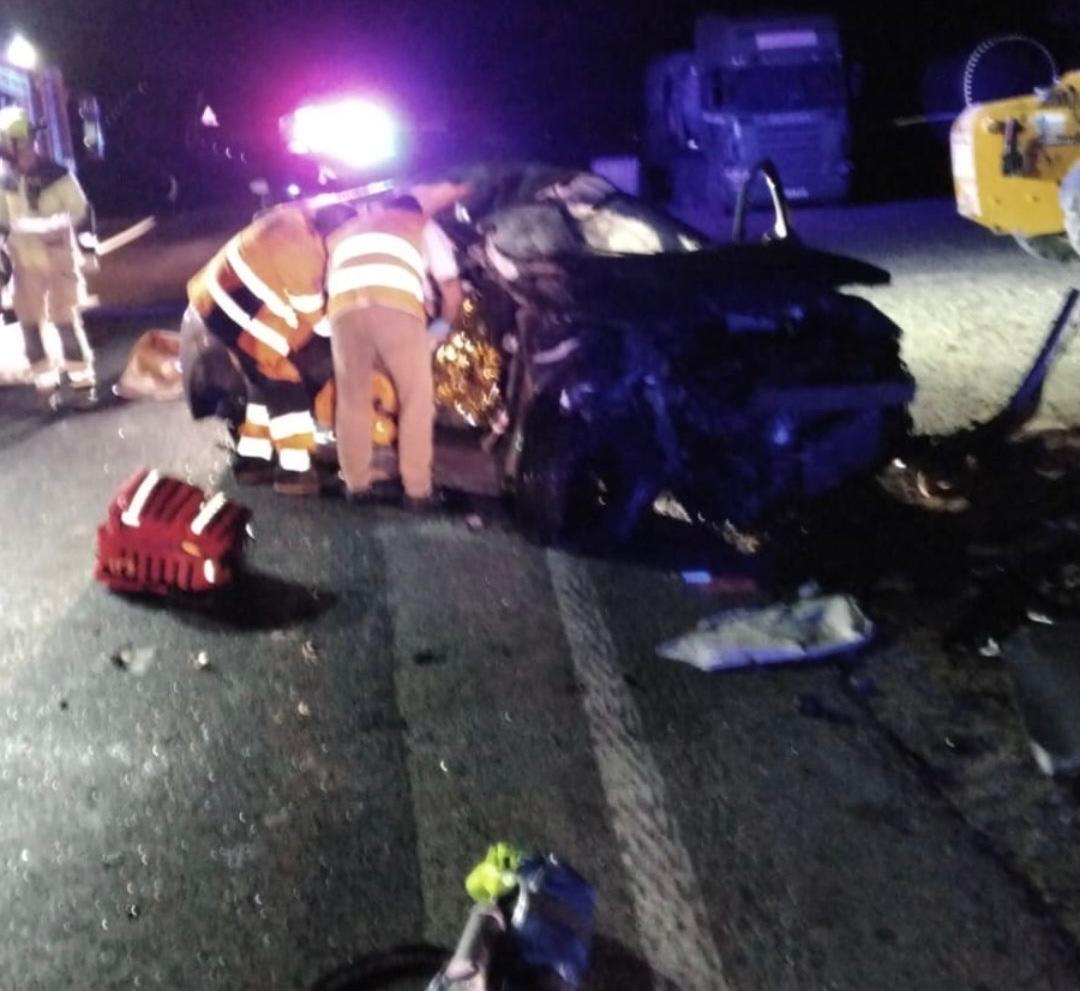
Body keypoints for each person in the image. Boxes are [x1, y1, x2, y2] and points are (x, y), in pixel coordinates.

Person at [184, 200, 354, 495]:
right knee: (285, 384)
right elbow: (316, 320)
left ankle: (252, 460)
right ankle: (295, 471)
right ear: (330, 232)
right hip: (234, 314)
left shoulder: (291, 221)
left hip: (215, 299)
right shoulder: (304, 254)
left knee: (261, 385)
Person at [327, 186, 466, 510]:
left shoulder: (347, 230)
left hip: (344, 310)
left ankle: (356, 484)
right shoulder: (421, 224)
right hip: (395, 306)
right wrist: (442, 326)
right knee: (416, 399)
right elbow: (451, 288)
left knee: (352, 399)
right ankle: (418, 491)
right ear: (415, 208)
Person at [0, 106, 96, 401]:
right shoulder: (6, 184)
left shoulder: (58, 176)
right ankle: (45, 385)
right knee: (30, 327)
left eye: (27, 142)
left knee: (64, 322)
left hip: (58, 264)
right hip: (24, 267)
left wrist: (88, 248)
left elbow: (81, 212)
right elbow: (2, 225)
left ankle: (82, 384)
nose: (26, 149)